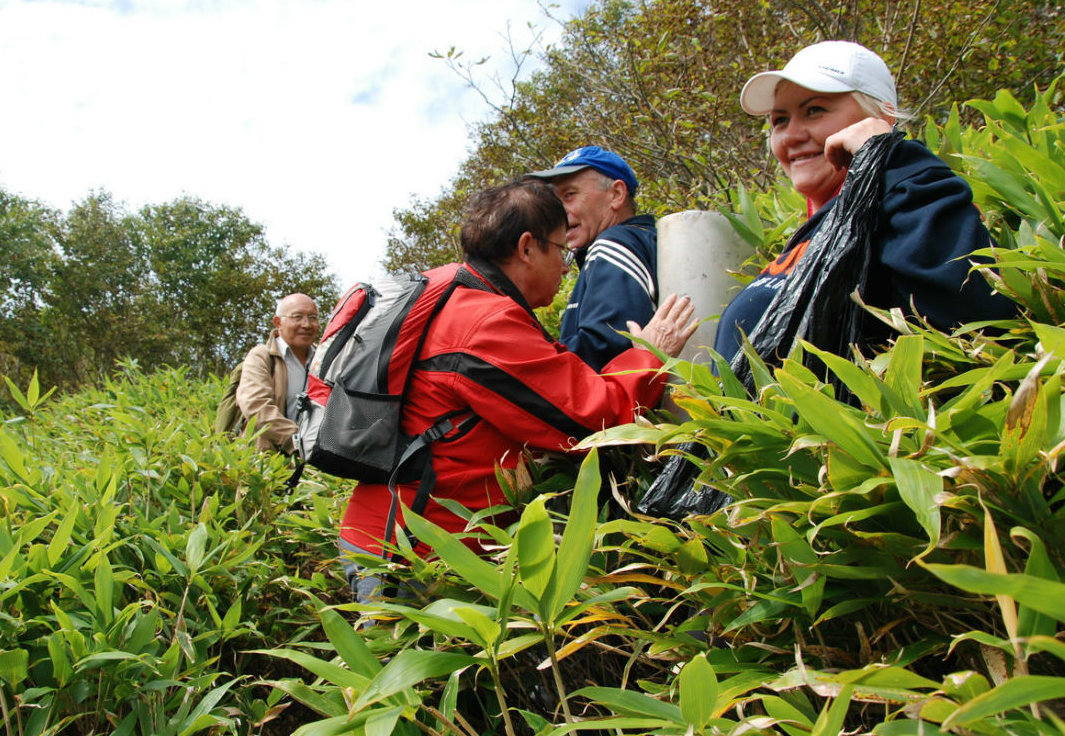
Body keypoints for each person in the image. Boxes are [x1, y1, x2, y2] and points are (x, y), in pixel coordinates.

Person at [338, 179, 697, 602]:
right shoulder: (481, 323)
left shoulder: (455, 292)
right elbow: (590, 421)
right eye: (561, 250)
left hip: (392, 535)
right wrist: (650, 354)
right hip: (412, 555)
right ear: (528, 248)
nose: (567, 267)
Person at [714, 40, 1015, 362]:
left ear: (881, 114)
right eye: (779, 121)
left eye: (814, 110)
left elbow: (977, 312)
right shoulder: (817, 236)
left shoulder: (913, 193)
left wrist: (889, 157)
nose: (791, 135)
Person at [526, 146, 659, 371]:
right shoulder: (645, 240)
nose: (558, 213)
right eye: (556, 201)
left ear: (616, 194)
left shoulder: (614, 244)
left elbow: (603, 351)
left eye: (570, 195)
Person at [229, 293, 318, 453]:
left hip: (312, 462)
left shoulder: (324, 360)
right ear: (278, 322)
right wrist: (298, 441)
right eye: (297, 317)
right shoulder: (261, 356)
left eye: (312, 318)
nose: (306, 324)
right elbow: (256, 406)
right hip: (266, 459)